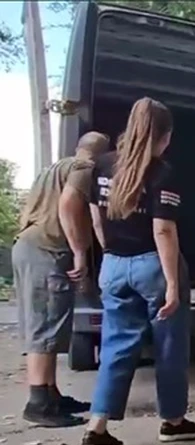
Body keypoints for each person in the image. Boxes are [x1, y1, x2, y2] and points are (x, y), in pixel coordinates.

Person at [79, 97, 195, 445]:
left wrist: (109, 253)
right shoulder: (162, 172)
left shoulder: (101, 166)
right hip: (153, 264)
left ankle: (96, 429)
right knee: (169, 345)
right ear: (164, 136)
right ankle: (173, 421)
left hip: (114, 264)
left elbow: (95, 218)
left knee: (116, 347)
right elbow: (163, 230)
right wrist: (171, 284)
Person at [13, 131, 111, 427]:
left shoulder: (53, 169)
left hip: (29, 245)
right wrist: (81, 252)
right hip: (47, 249)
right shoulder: (83, 168)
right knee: (45, 323)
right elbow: (68, 206)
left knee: (47, 319)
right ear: (101, 155)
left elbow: (93, 216)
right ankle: (39, 404)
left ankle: (51, 394)